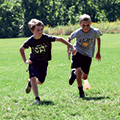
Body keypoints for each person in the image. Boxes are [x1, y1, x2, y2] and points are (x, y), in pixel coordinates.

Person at [19, 19, 77, 105]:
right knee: (33, 78)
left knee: (41, 81)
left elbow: (60, 39)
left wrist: (72, 47)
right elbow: (21, 49)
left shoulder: (46, 38)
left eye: (42, 29)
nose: (40, 32)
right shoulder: (30, 41)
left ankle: (30, 83)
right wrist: (25, 60)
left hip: (44, 62)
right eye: (38, 30)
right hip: (33, 62)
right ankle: (37, 99)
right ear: (32, 30)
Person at [67, 14, 102, 98]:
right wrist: (69, 49)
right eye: (83, 25)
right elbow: (69, 39)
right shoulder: (77, 32)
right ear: (80, 24)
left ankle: (74, 74)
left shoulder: (94, 32)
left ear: (91, 23)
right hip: (77, 52)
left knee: (84, 77)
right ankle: (81, 92)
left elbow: (98, 38)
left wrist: (98, 52)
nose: (86, 27)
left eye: (88, 25)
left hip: (88, 54)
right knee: (79, 72)